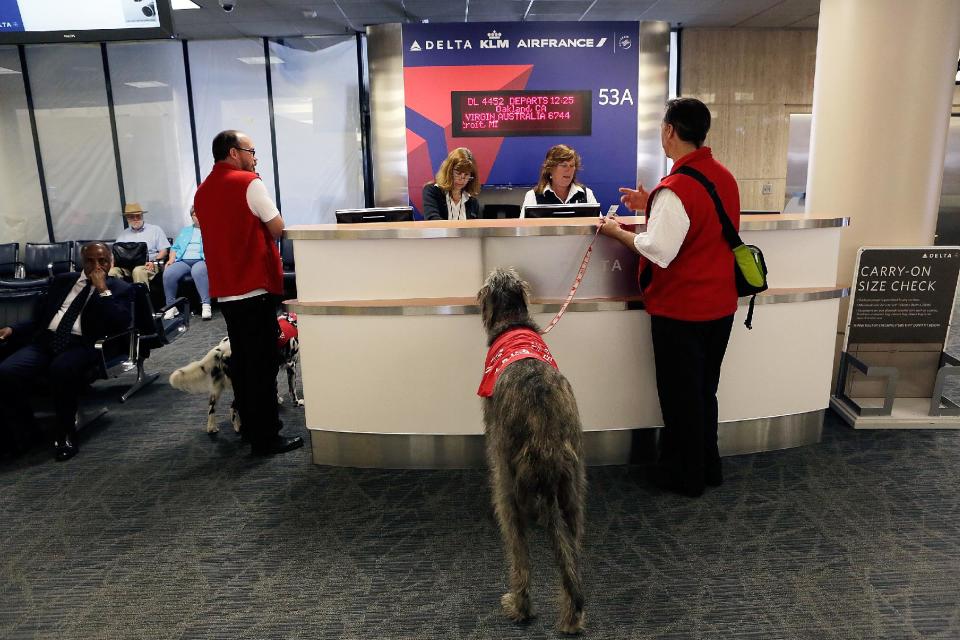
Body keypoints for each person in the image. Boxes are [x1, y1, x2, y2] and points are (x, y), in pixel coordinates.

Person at [597, 97, 739, 498]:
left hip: (682, 311)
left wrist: (617, 232)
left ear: (670, 130)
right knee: (703, 392)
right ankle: (708, 467)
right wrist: (652, 204)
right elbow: (700, 224)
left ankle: (684, 475)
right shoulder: (721, 177)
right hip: (720, 307)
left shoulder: (676, 187)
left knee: (680, 398)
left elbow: (659, 249)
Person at [193, 129, 302, 456]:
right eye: (251, 151)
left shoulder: (201, 193)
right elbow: (278, 227)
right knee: (264, 365)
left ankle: (250, 428)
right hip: (254, 287)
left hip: (226, 292)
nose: (255, 158)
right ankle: (267, 437)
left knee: (243, 363)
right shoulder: (249, 183)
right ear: (232, 153)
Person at [0, 243, 133, 461]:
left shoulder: (119, 289)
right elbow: (40, 319)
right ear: (83, 261)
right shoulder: (63, 281)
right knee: (6, 371)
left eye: (102, 261)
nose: (97, 266)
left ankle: (65, 435)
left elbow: (121, 323)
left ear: (111, 262)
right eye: (91, 260)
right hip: (46, 341)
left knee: (61, 369)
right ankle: (25, 431)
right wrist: (13, 329)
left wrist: (102, 290)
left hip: (82, 344)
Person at [163, 207, 212, 321]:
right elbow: (174, 248)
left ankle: (206, 304)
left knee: (198, 271)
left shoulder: (210, 228)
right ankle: (171, 306)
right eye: (195, 215)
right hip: (183, 260)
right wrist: (171, 260)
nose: (198, 217)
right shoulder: (186, 230)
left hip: (201, 260)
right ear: (192, 217)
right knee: (168, 273)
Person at [520, 144, 597, 217]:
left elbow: (599, 227)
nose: (569, 170)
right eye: (564, 165)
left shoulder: (586, 194)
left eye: (572, 166)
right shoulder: (533, 196)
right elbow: (523, 229)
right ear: (550, 169)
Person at [108, 202, 170, 284]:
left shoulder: (155, 230)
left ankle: (142, 296)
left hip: (148, 264)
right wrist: (111, 265)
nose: (135, 219)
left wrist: (154, 261)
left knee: (137, 271)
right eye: (131, 217)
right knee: (111, 272)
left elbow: (164, 250)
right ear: (127, 218)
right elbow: (115, 254)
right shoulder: (123, 234)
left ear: (142, 216)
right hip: (126, 267)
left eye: (138, 216)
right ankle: (118, 296)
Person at [422, 147, 481, 220]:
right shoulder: (432, 191)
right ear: (448, 171)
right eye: (458, 173)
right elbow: (432, 220)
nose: (461, 179)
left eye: (466, 175)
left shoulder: (472, 201)